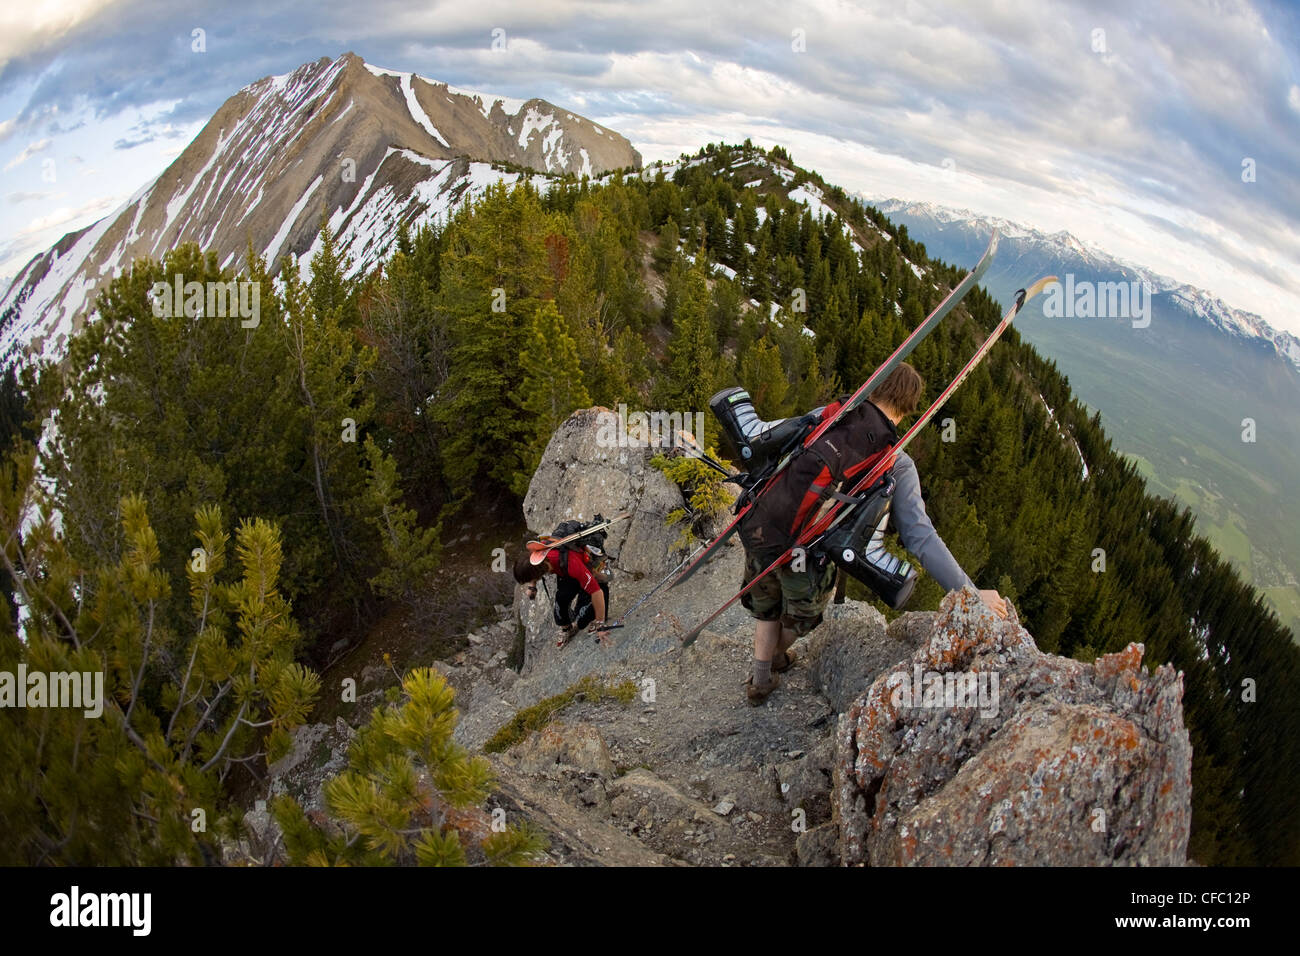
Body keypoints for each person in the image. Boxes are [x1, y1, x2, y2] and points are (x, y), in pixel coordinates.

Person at [738, 363, 1008, 705]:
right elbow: (919, 537)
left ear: (876, 387)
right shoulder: (896, 462)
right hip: (806, 554)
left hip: (763, 523)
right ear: (908, 408)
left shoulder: (829, 415)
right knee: (798, 617)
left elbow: (780, 445)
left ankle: (762, 676)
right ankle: (774, 661)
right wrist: (970, 592)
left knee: (767, 603)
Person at [513, 532, 611, 645]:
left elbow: (596, 592)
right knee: (560, 598)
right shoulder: (539, 557)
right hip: (566, 572)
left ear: (539, 572)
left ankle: (595, 617)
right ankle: (567, 629)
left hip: (585, 569)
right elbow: (532, 567)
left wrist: (600, 625)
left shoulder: (572, 563)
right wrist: (532, 586)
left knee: (581, 621)